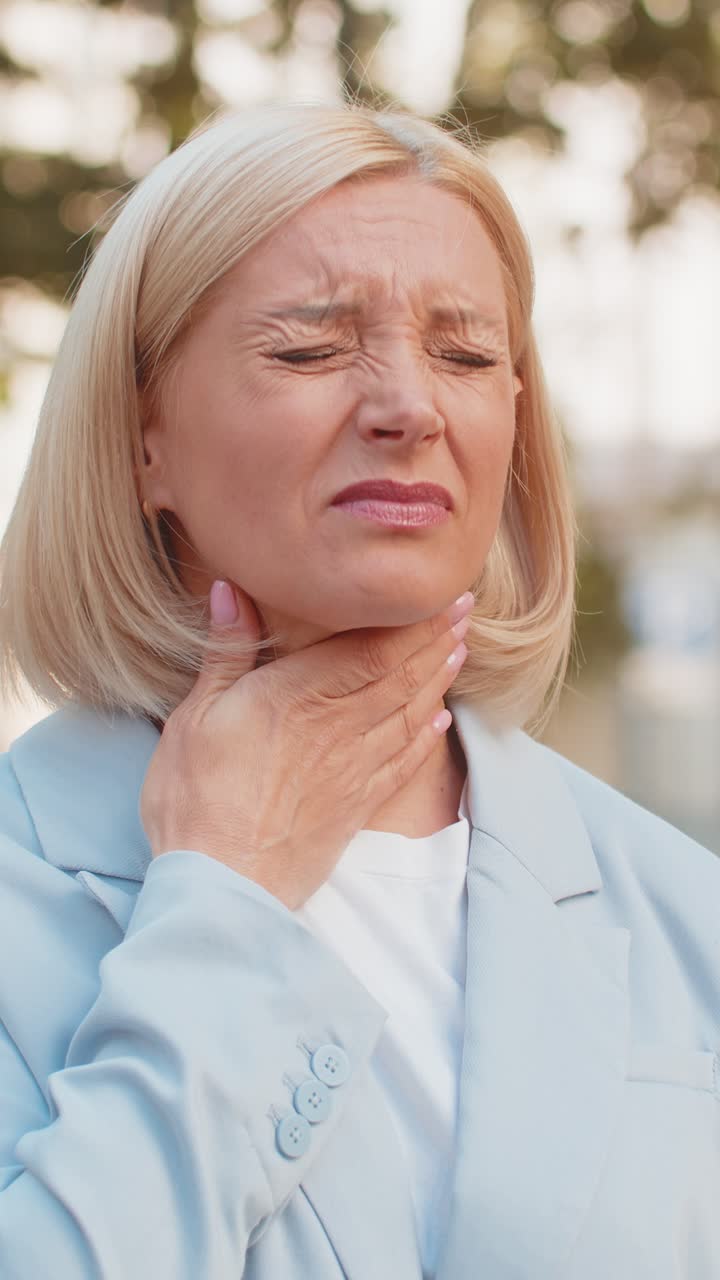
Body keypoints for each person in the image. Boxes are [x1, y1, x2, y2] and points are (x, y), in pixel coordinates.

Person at [0, 102, 717, 1280]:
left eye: (467, 355)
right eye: (308, 350)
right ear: (142, 437)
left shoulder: (687, 909)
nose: (410, 406)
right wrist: (228, 893)